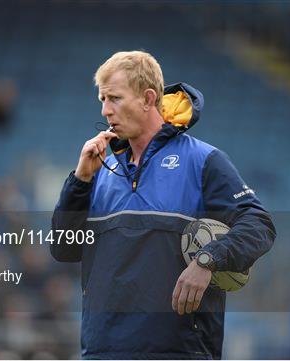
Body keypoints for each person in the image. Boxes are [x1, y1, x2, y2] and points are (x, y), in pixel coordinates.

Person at [51, 51, 276, 359]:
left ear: (147, 98)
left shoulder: (203, 161)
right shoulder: (98, 169)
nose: (105, 110)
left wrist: (208, 260)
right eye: (102, 100)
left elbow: (258, 225)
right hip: (102, 350)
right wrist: (79, 181)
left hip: (179, 351)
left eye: (114, 98)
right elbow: (64, 248)